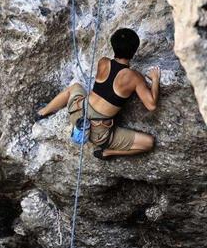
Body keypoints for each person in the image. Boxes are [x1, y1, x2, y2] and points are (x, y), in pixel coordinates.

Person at [36, 28, 160, 159]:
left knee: (75, 87)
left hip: (77, 113)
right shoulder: (134, 77)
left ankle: (42, 112)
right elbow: (151, 105)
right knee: (149, 142)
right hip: (97, 133)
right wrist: (155, 80)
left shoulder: (103, 62)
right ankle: (108, 152)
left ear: (113, 46)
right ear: (134, 51)